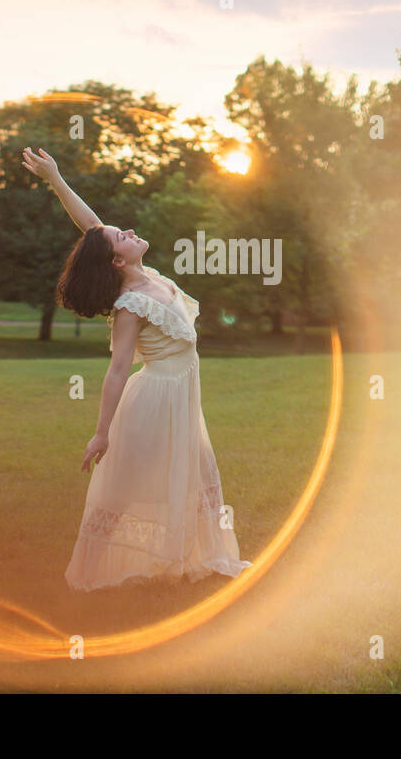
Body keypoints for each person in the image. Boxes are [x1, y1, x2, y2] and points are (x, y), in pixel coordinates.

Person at [20, 147, 251, 592]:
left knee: (197, 473)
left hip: (182, 396)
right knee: (125, 486)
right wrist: (102, 431)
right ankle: (88, 572)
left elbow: (93, 228)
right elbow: (118, 370)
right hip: (155, 399)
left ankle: (195, 557)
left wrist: (57, 178)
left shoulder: (152, 277)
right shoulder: (130, 304)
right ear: (118, 262)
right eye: (120, 237)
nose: (126, 229)